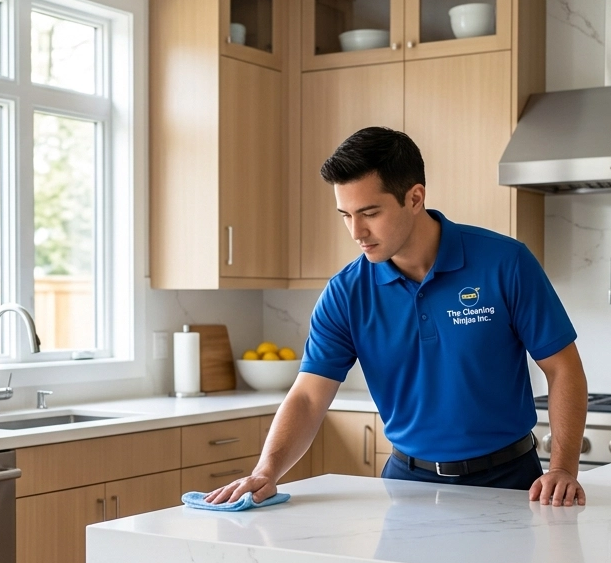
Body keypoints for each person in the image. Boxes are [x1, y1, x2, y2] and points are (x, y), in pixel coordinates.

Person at [206, 126, 588, 508]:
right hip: (406, 486)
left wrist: (563, 469)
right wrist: (266, 470)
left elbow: (563, 368)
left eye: (370, 212)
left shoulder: (505, 263)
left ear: (415, 197)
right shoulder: (346, 292)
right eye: (346, 215)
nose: (356, 231)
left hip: (510, 482)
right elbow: (308, 396)